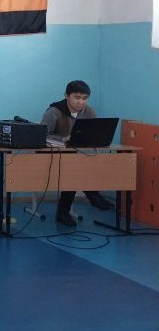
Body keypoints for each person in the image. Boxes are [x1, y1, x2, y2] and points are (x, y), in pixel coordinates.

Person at [42, 79, 115, 226]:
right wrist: (63, 139)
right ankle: (91, 195)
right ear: (66, 96)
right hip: (54, 155)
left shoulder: (89, 112)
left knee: (83, 165)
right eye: (77, 97)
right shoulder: (54, 111)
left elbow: (93, 133)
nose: (81, 102)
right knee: (73, 169)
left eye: (85, 98)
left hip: (78, 154)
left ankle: (66, 211)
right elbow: (42, 136)